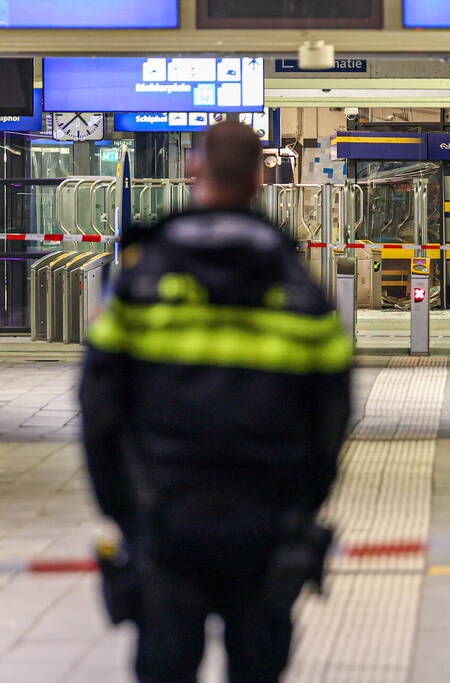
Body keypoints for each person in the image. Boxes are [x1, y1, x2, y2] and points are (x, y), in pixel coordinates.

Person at [80, 121, 353, 683]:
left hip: (165, 514)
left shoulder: (140, 280)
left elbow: (99, 408)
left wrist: (124, 513)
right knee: (258, 666)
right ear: (260, 178)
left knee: (166, 665)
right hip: (268, 521)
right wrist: (301, 509)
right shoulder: (300, 290)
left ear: (193, 169)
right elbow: (332, 416)